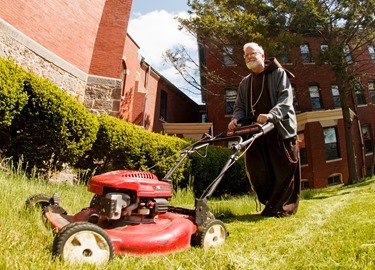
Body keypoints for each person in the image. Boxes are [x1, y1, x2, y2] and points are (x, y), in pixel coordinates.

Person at [228, 42, 301, 217]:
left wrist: (270, 115)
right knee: (257, 171)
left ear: (262, 55)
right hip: (256, 133)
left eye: (253, 53)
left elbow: (285, 99)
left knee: (282, 171)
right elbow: (239, 106)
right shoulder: (245, 83)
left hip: (279, 131)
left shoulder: (278, 73)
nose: (249, 57)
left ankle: (282, 209)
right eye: (246, 55)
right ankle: (270, 203)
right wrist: (235, 118)